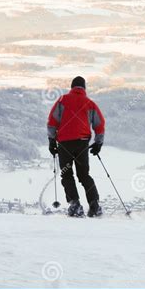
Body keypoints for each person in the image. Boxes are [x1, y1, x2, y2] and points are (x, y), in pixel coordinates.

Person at [47, 76, 105, 217]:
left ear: (72, 87)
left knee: (67, 174)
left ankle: (75, 205)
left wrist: (51, 141)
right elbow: (100, 124)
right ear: (84, 88)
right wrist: (98, 143)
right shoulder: (89, 103)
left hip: (65, 144)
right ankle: (94, 205)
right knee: (84, 175)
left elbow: (52, 122)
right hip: (82, 143)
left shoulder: (62, 100)